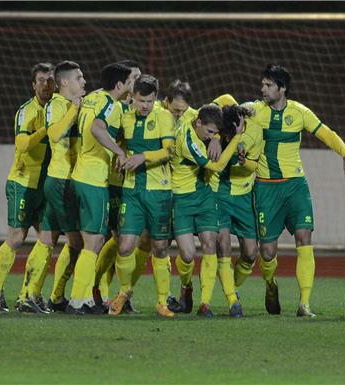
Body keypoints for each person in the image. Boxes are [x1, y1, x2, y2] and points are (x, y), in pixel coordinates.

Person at [252, 64, 345, 317]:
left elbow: (327, 133)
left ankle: (304, 304)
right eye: (262, 84)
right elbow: (228, 108)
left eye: (268, 85)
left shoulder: (300, 112)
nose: (263, 89)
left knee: (304, 237)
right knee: (267, 251)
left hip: (295, 187)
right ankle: (270, 283)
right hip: (266, 188)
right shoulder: (255, 111)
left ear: (282, 88)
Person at [64, 62, 132, 314]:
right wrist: (119, 151)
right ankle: (77, 300)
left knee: (88, 242)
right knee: (93, 243)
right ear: (119, 85)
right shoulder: (111, 105)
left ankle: (84, 299)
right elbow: (97, 128)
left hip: (77, 175)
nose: (131, 86)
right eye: (129, 82)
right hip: (94, 180)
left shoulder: (92, 97)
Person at [0, 62, 55, 312]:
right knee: (17, 238)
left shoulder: (59, 108)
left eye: (50, 80)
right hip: (23, 182)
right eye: (41, 80)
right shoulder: (27, 112)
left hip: (46, 185)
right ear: (33, 84)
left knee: (47, 239)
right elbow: (23, 144)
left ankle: (30, 293)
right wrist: (47, 129)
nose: (46, 85)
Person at [19, 60, 86, 313]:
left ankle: (29, 295)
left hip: (64, 180)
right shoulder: (57, 105)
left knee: (47, 238)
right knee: (77, 243)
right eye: (79, 78)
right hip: (61, 181)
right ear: (65, 82)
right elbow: (55, 134)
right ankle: (56, 296)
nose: (84, 82)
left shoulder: (71, 104)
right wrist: (74, 110)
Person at [107, 74, 176, 317]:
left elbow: (169, 151)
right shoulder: (124, 116)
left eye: (149, 100)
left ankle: (161, 302)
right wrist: (118, 153)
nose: (144, 105)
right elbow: (111, 138)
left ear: (155, 98)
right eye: (140, 100)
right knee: (125, 246)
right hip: (132, 191)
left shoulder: (164, 117)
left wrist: (142, 157)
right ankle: (124, 293)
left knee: (159, 246)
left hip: (159, 191)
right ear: (132, 97)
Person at [171, 104, 243, 317]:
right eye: (210, 132)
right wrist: (236, 138)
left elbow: (226, 98)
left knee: (211, 244)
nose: (212, 136)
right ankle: (186, 287)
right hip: (181, 200)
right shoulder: (188, 142)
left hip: (204, 196)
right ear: (199, 124)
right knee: (187, 254)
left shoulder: (196, 114)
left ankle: (205, 304)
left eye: (216, 132)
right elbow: (217, 166)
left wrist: (216, 137)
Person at [209, 104, 262, 317]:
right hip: (219, 194)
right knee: (223, 247)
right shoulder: (218, 134)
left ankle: (234, 288)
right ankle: (232, 299)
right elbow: (219, 100)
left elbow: (254, 166)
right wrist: (215, 138)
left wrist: (245, 162)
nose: (227, 137)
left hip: (243, 197)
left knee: (250, 254)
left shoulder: (256, 131)